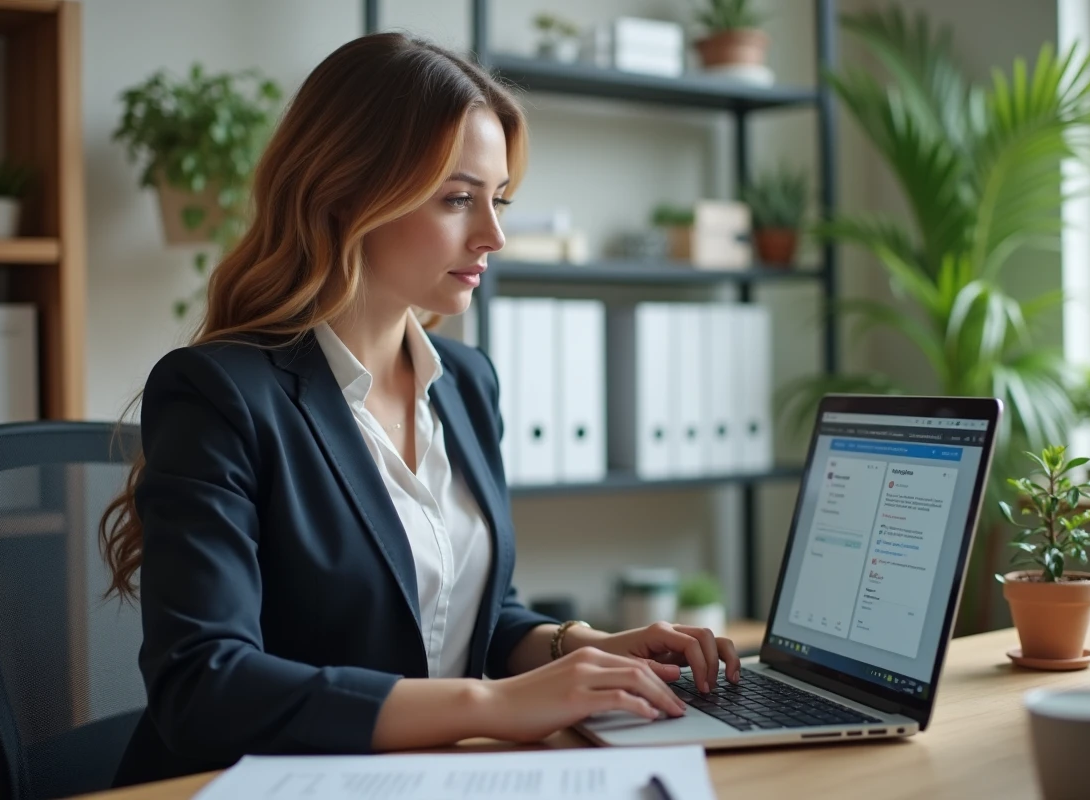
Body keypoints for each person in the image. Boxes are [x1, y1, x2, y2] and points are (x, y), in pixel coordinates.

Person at [102, 32, 742, 787]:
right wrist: (491, 705)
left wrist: (585, 649)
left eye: (498, 199)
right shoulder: (221, 395)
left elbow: (476, 612)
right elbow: (205, 686)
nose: (493, 235)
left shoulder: (468, 384)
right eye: (458, 198)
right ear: (348, 193)